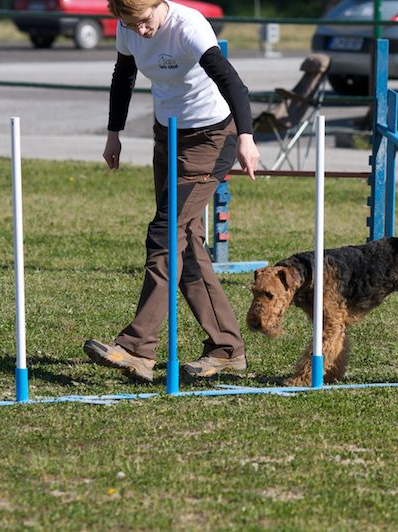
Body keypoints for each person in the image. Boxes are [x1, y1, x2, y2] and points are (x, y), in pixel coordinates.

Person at [83, 0, 260, 383]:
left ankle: (136, 348)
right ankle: (227, 348)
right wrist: (114, 134)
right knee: (187, 243)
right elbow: (123, 76)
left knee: (165, 233)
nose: (140, 31)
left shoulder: (188, 26)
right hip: (168, 135)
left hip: (212, 138)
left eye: (145, 22)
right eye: (132, 25)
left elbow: (232, 82)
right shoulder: (129, 26)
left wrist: (246, 138)